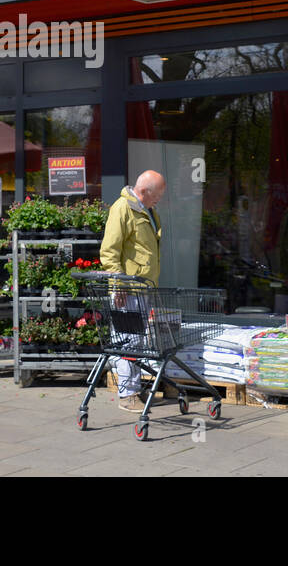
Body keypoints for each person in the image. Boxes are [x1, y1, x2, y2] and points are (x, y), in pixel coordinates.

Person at [99, 170, 165, 413]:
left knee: (136, 340)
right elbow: (109, 250)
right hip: (127, 289)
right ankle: (127, 395)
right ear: (145, 191)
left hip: (142, 287)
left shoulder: (147, 210)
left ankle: (134, 389)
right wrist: (117, 285)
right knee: (127, 339)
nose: (159, 199)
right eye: (157, 195)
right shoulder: (123, 208)